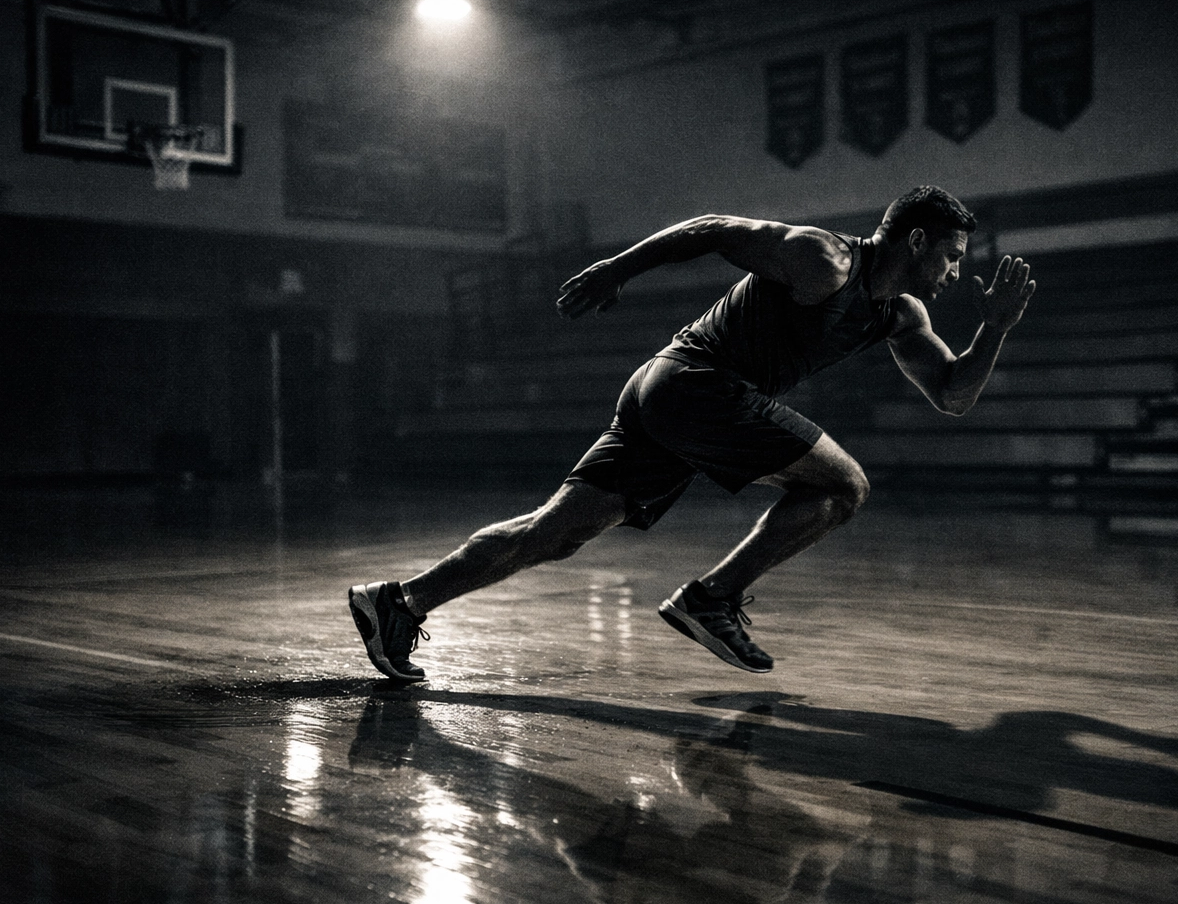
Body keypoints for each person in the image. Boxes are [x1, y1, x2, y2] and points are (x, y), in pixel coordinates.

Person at [349, 185, 1036, 680]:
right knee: (845, 485)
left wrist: (994, 329)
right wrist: (616, 269)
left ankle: (399, 602)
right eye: (950, 254)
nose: (954, 270)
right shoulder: (825, 259)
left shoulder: (900, 316)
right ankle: (711, 598)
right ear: (915, 240)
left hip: (673, 400)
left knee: (554, 534)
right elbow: (712, 227)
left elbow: (952, 395)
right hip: (695, 385)